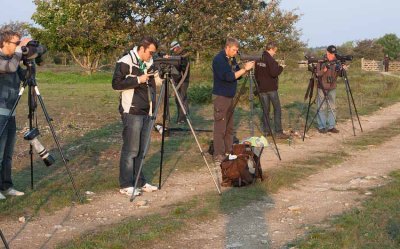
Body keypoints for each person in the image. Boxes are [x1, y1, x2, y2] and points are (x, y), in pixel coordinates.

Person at [112, 36, 159, 197]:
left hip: (147, 110)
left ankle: (140, 181)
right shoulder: (125, 61)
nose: (151, 55)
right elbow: (116, 84)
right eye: (150, 52)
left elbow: (154, 84)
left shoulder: (150, 63)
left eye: (154, 53)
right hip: (131, 110)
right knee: (131, 149)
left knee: (141, 149)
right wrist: (138, 79)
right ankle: (126, 184)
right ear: (142, 49)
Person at [212, 37, 255, 164]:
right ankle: (218, 154)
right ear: (227, 47)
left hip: (230, 96)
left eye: (237, 50)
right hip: (221, 96)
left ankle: (228, 150)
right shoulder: (219, 60)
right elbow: (229, 77)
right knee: (220, 126)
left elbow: (237, 76)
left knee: (229, 126)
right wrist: (244, 69)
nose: (236, 52)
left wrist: (245, 70)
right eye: (234, 50)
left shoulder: (231, 59)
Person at [0, 30, 31, 200]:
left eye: (20, 42)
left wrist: (30, 64)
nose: (18, 46)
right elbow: (10, 68)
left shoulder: (14, 61)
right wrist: (20, 52)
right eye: (16, 43)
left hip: (10, 112)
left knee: (8, 154)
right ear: (4, 43)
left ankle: (6, 186)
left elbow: (25, 77)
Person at [255, 41, 289, 139]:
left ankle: (266, 131)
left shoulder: (259, 59)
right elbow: (274, 73)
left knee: (265, 110)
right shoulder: (270, 60)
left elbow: (256, 74)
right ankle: (278, 131)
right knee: (277, 109)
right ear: (271, 49)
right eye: (275, 51)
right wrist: (281, 67)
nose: (275, 53)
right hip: (271, 89)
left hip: (261, 88)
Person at [315, 45, 346, 134]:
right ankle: (322, 126)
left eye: (334, 54)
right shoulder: (321, 62)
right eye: (331, 53)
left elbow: (340, 74)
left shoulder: (337, 62)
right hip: (322, 87)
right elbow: (317, 74)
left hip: (332, 87)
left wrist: (342, 69)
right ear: (327, 52)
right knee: (322, 107)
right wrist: (324, 70)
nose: (333, 55)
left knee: (332, 107)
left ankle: (331, 126)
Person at [169, 41, 190, 124]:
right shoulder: (177, 55)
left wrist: (170, 58)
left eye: (174, 48)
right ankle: (182, 117)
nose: (173, 50)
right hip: (177, 80)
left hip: (183, 80)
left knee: (181, 99)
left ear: (177, 47)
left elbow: (181, 65)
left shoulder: (184, 55)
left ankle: (183, 119)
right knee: (179, 99)